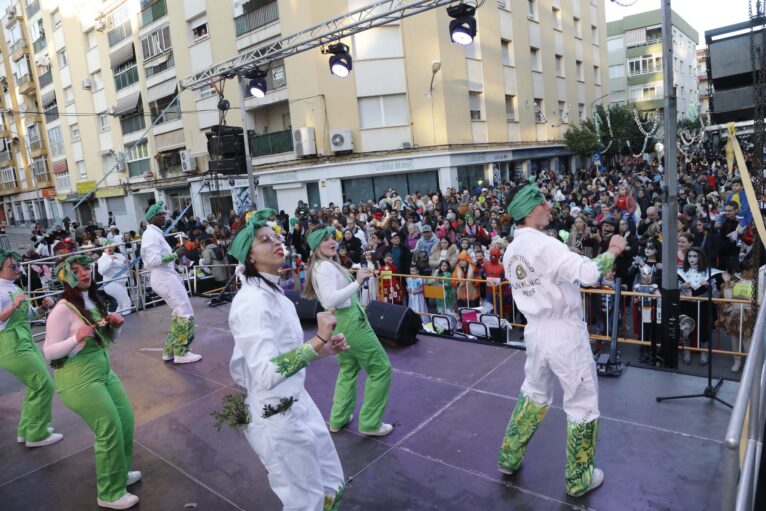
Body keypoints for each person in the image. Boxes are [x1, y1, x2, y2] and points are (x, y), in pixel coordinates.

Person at [498, 179, 627, 497]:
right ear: (528, 211)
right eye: (541, 202)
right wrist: (613, 250)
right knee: (582, 402)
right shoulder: (546, 245)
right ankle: (578, 477)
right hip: (564, 334)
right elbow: (590, 273)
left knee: (534, 392)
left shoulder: (512, 250)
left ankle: (509, 457)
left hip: (535, 332)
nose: (547, 206)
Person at [227, 210, 348, 511]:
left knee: (331, 485)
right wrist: (317, 340)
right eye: (264, 240)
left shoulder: (275, 294)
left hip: (296, 400)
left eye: (276, 236)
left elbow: (286, 356)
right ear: (250, 257)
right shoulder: (251, 302)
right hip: (274, 413)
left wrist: (323, 350)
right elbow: (268, 373)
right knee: (306, 502)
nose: (276, 242)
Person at [43, 255, 139, 510]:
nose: (84, 273)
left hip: (104, 372)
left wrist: (116, 326)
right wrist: (74, 338)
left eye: (85, 267)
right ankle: (109, 493)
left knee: (126, 422)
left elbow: (108, 339)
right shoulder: (62, 309)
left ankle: (119, 475)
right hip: (79, 380)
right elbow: (49, 352)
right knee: (108, 430)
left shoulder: (92, 301)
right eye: (75, 271)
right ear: (66, 278)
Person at [303, 225, 394, 437]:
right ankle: (371, 423)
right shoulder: (325, 267)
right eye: (324, 239)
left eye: (331, 237)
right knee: (381, 369)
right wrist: (358, 282)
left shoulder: (321, 265)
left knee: (348, 369)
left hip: (340, 323)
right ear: (316, 244)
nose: (331, 242)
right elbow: (329, 299)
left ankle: (338, 418)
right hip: (351, 322)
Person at [0, 250, 60, 448]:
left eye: (17, 264)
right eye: (13, 266)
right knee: (44, 384)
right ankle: (37, 434)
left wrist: (42, 308)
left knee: (35, 385)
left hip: (24, 340)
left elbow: (28, 316)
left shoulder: (12, 287)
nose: (18, 268)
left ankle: (27, 429)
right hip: (12, 344)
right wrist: (14, 307)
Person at [140, 202, 201, 364]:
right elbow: (153, 260)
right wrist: (176, 254)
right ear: (152, 217)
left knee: (178, 312)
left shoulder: (154, 234)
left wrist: (176, 255)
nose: (164, 216)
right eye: (160, 214)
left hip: (165, 276)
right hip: (163, 277)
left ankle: (170, 351)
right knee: (185, 312)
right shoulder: (151, 235)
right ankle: (181, 352)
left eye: (163, 213)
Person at [98, 241, 132, 316]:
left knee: (121, 305)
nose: (109, 248)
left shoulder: (119, 255)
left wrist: (127, 263)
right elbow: (102, 272)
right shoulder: (102, 259)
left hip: (122, 282)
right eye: (107, 246)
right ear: (104, 248)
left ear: (114, 247)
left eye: (111, 246)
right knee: (126, 303)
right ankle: (128, 320)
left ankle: (115, 319)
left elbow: (127, 267)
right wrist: (111, 261)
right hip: (111, 283)